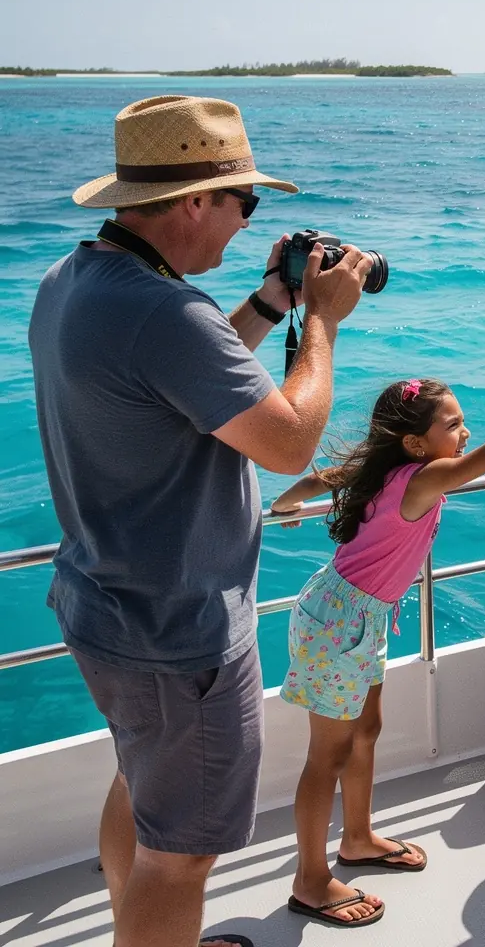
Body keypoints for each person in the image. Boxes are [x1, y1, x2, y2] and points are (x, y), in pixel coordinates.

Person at [28, 95, 375, 947]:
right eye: (243, 203)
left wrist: (264, 303)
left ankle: (144, 932)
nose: (246, 222)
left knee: (145, 803)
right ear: (194, 203)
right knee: (178, 861)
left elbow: (181, 376)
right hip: (179, 636)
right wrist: (321, 322)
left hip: (104, 607)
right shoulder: (166, 314)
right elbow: (289, 444)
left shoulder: (77, 280)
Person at [268, 376, 485, 928]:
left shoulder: (395, 470)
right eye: (453, 425)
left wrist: (296, 493)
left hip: (354, 615)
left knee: (366, 731)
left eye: (462, 422)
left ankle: (359, 837)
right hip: (340, 623)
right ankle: (310, 881)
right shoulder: (426, 476)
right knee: (327, 757)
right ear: (415, 444)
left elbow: (340, 475)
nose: (465, 433)